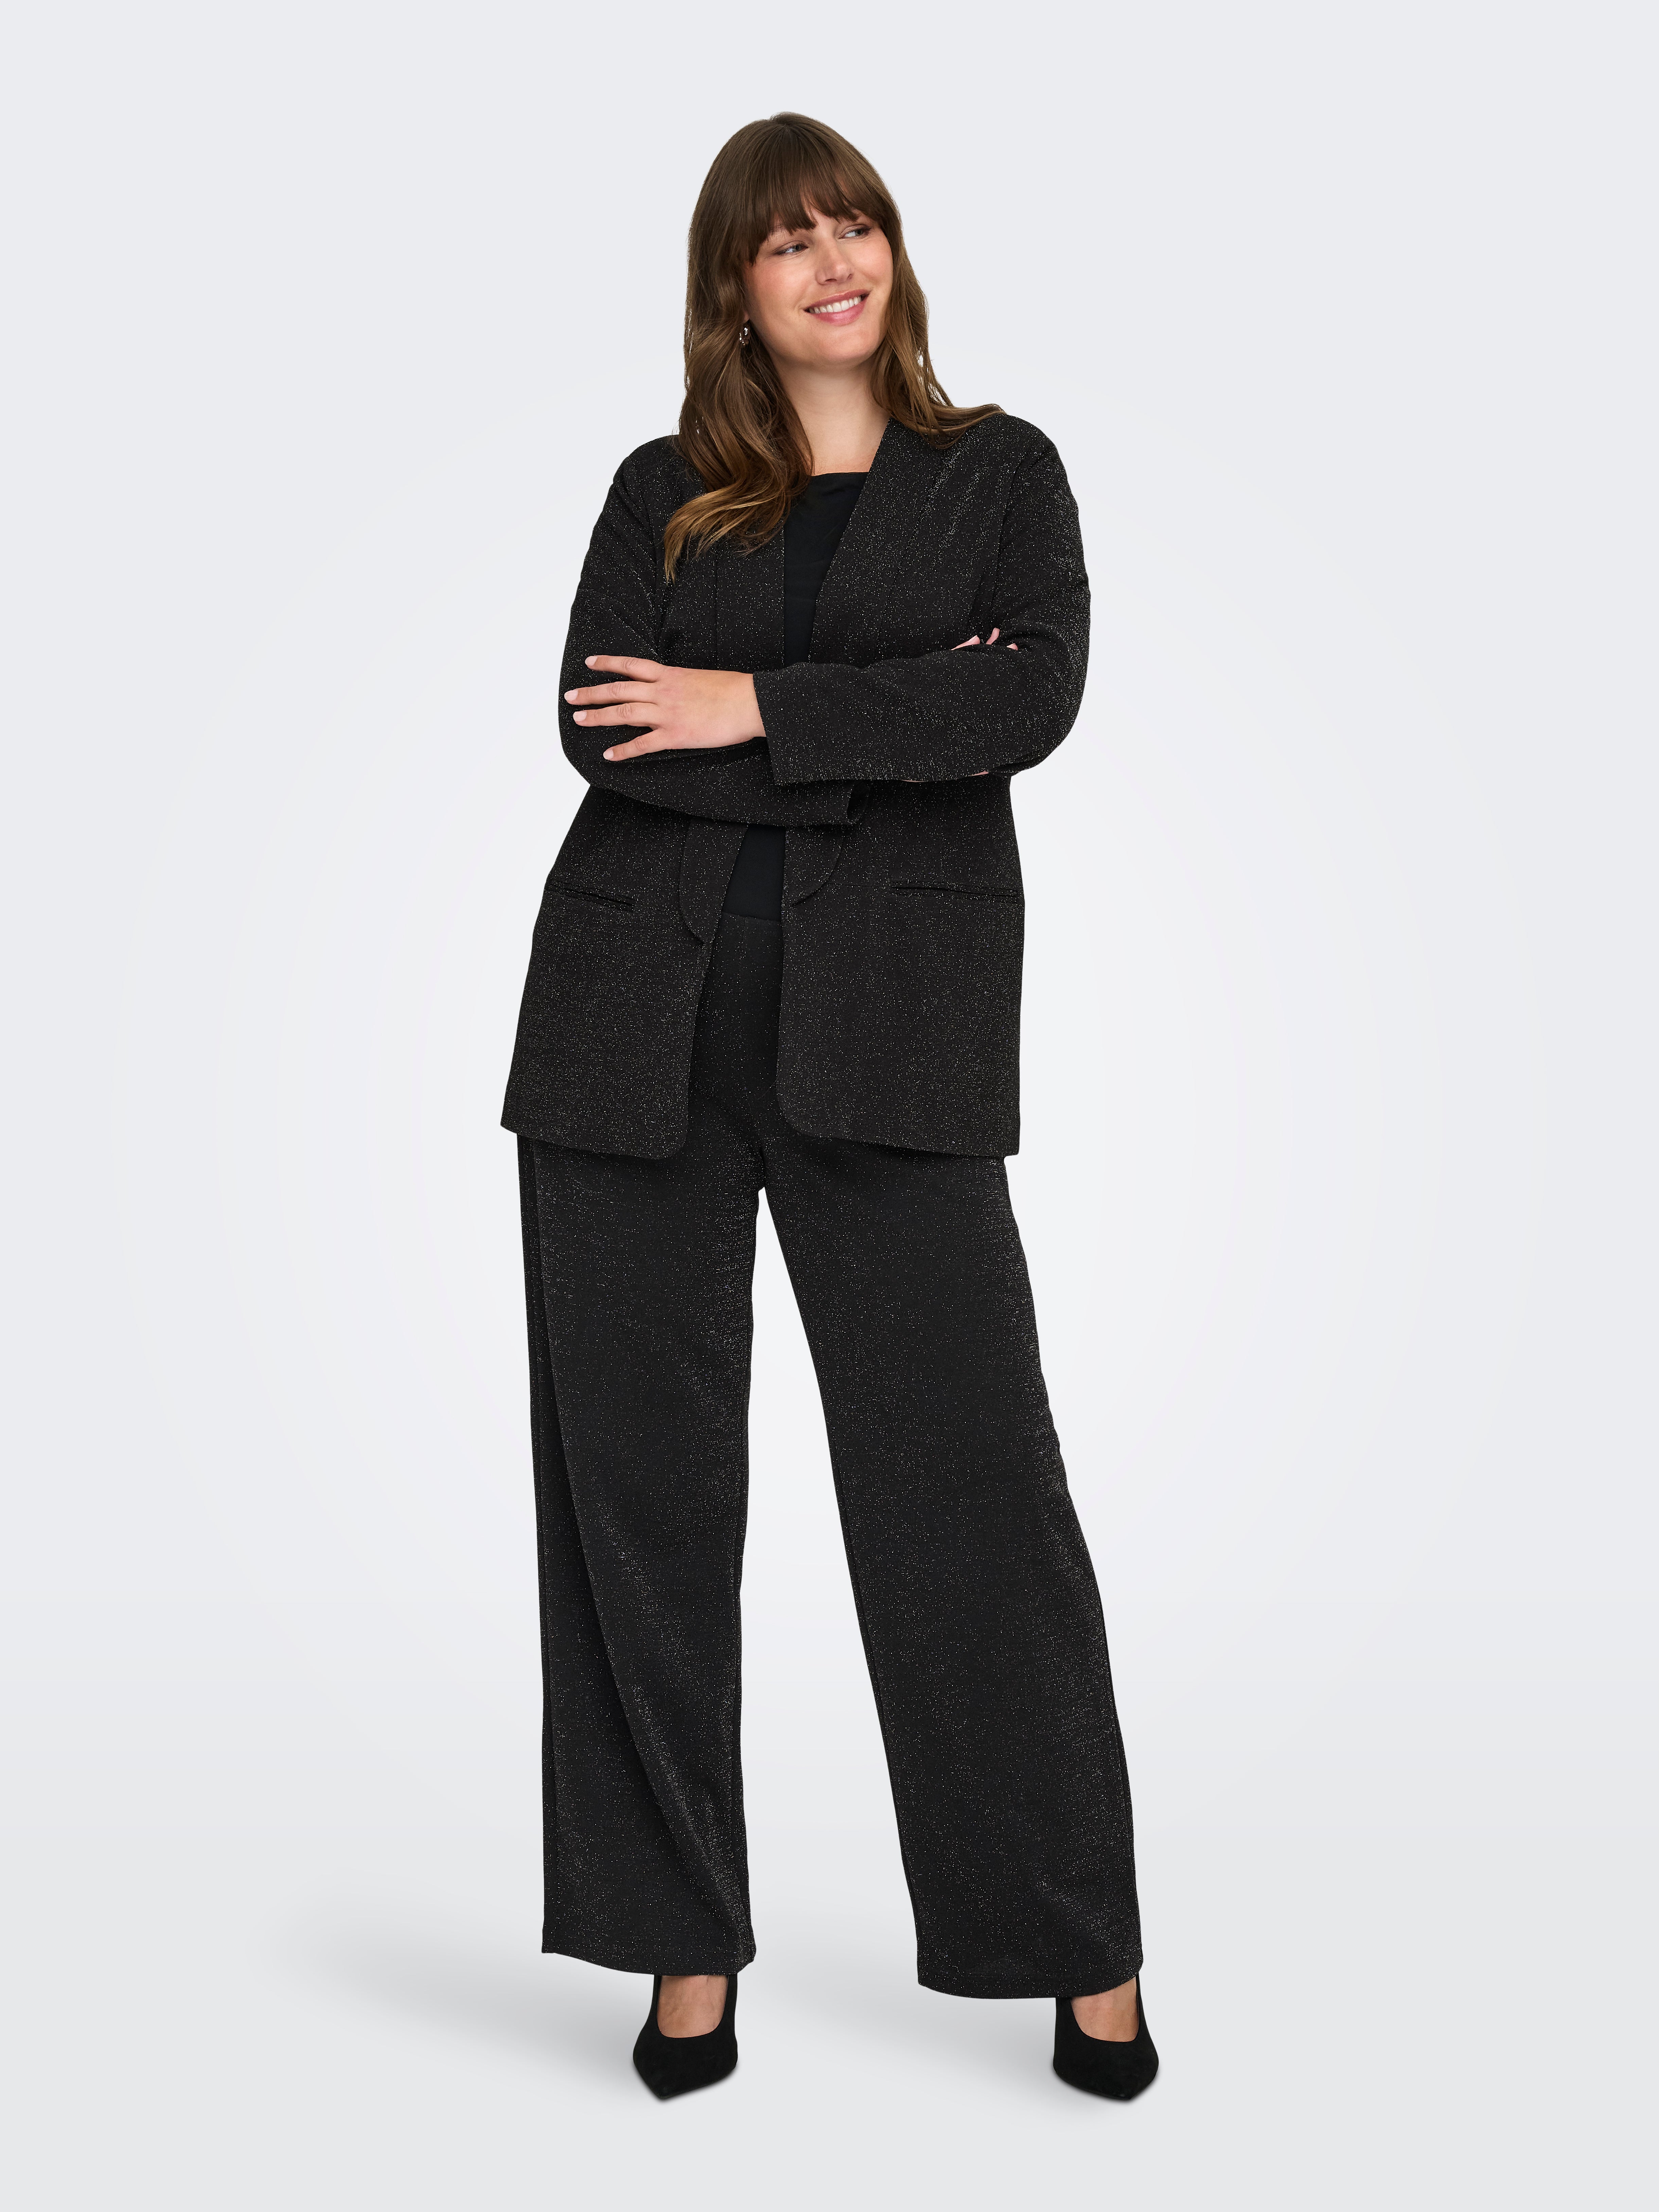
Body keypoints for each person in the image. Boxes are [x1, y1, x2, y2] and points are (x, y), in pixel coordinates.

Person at [502, 111, 1157, 2102]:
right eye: (787, 240)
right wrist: (887, 718)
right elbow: (599, 728)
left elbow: (1029, 697)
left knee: (970, 1491)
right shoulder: (664, 488)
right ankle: (676, 1945)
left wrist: (756, 705)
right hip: (629, 1035)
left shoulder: (997, 472)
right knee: (635, 1507)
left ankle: (1073, 1942)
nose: (832, 260)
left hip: (899, 1047)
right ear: (738, 286)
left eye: (853, 222)